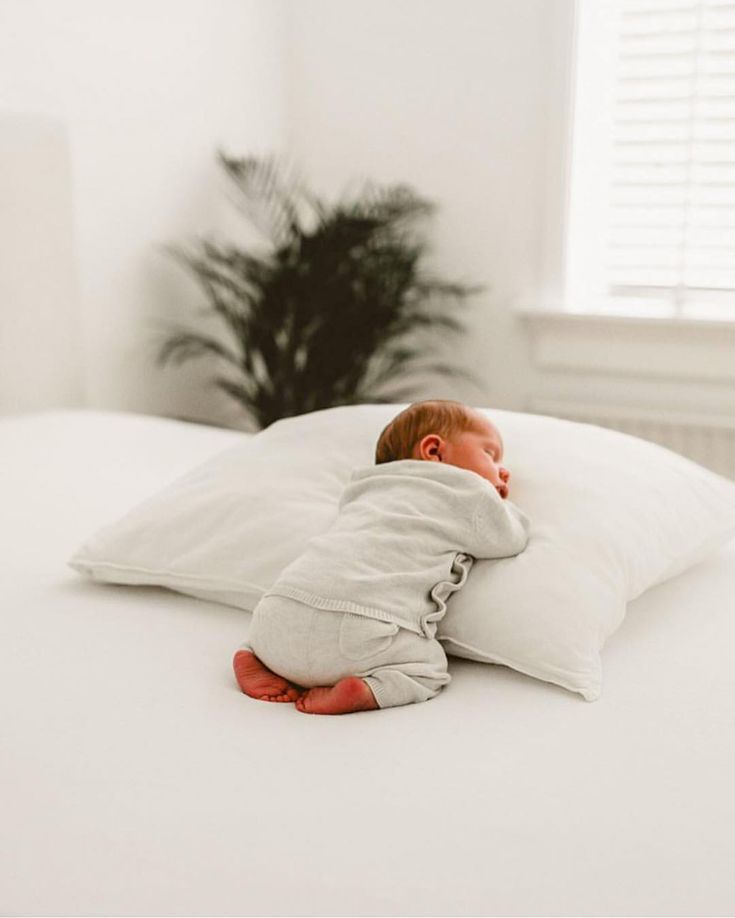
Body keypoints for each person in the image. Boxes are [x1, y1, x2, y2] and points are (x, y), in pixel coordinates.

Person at [233, 399, 530, 715]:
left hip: (277, 612)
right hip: (364, 631)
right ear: (433, 451)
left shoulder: (365, 489)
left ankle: (253, 655)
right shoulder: (467, 492)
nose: (503, 470)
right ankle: (367, 690)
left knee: (272, 635)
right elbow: (510, 538)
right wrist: (498, 500)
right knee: (429, 668)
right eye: (490, 454)